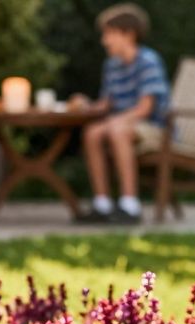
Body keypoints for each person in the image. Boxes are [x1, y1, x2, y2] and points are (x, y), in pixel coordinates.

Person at [71, 3, 171, 225]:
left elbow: (146, 108)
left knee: (116, 130)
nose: (104, 40)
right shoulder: (112, 66)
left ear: (128, 34)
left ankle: (130, 205)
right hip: (123, 125)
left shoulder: (148, 62)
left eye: (109, 34)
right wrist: (85, 105)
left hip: (155, 129)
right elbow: (106, 104)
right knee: (92, 132)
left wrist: (116, 121)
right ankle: (102, 203)